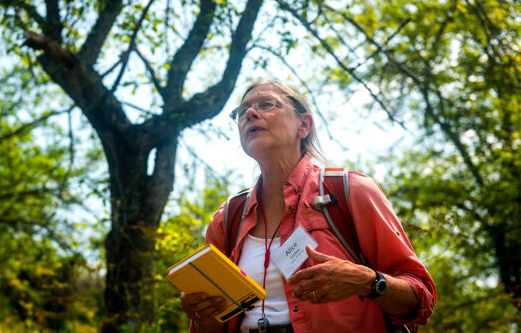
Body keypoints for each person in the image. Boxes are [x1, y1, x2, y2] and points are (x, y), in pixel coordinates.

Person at [179, 79, 436, 333]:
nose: (251, 113)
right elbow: (211, 327)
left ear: (304, 125)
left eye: (267, 104)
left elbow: (420, 297)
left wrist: (367, 282)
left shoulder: (350, 191)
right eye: (242, 111)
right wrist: (202, 314)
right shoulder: (228, 218)